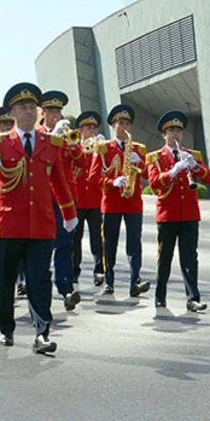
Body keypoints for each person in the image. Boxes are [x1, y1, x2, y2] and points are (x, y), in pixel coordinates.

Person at [0, 83, 78, 354]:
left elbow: (59, 179)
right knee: (3, 280)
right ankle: (6, 328)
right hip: (8, 223)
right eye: (22, 107)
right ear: (12, 112)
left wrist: (69, 213)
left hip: (41, 223)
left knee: (39, 280)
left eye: (32, 107)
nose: (28, 111)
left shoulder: (51, 142)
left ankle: (42, 332)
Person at [146, 110, 210, 312]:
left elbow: (209, 178)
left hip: (189, 215)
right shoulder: (156, 158)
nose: (175, 135)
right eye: (171, 131)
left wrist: (194, 166)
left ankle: (193, 297)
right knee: (165, 258)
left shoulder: (191, 155)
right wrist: (173, 171)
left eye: (178, 131)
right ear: (164, 134)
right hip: (167, 215)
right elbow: (153, 183)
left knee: (189, 258)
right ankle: (160, 297)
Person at [90, 104, 150, 297]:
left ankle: (135, 281)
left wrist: (139, 162)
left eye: (126, 123)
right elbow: (92, 177)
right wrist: (111, 181)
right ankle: (109, 281)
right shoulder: (103, 147)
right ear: (112, 126)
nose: (124, 127)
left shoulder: (138, 148)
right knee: (109, 243)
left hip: (132, 202)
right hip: (112, 202)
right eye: (120, 123)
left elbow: (149, 175)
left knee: (134, 243)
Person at [36, 90, 85, 311]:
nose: (55, 115)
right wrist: (52, 136)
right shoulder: (38, 135)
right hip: (43, 197)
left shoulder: (68, 135)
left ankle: (66, 290)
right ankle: (38, 285)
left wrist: (73, 145)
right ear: (43, 113)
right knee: (43, 245)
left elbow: (82, 163)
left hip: (65, 199)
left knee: (65, 245)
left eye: (58, 111)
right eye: (51, 111)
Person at [71, 111, 106, 286]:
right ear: (79, 130)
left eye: (94, 127)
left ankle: (99, 270)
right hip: (77, 199)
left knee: (97, 237)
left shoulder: (100, 147)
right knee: (75, 239)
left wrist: (102, 149)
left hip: (95, 199)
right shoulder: (73, 146)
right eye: (87, 128)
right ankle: (74, 271)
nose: (91, 131)